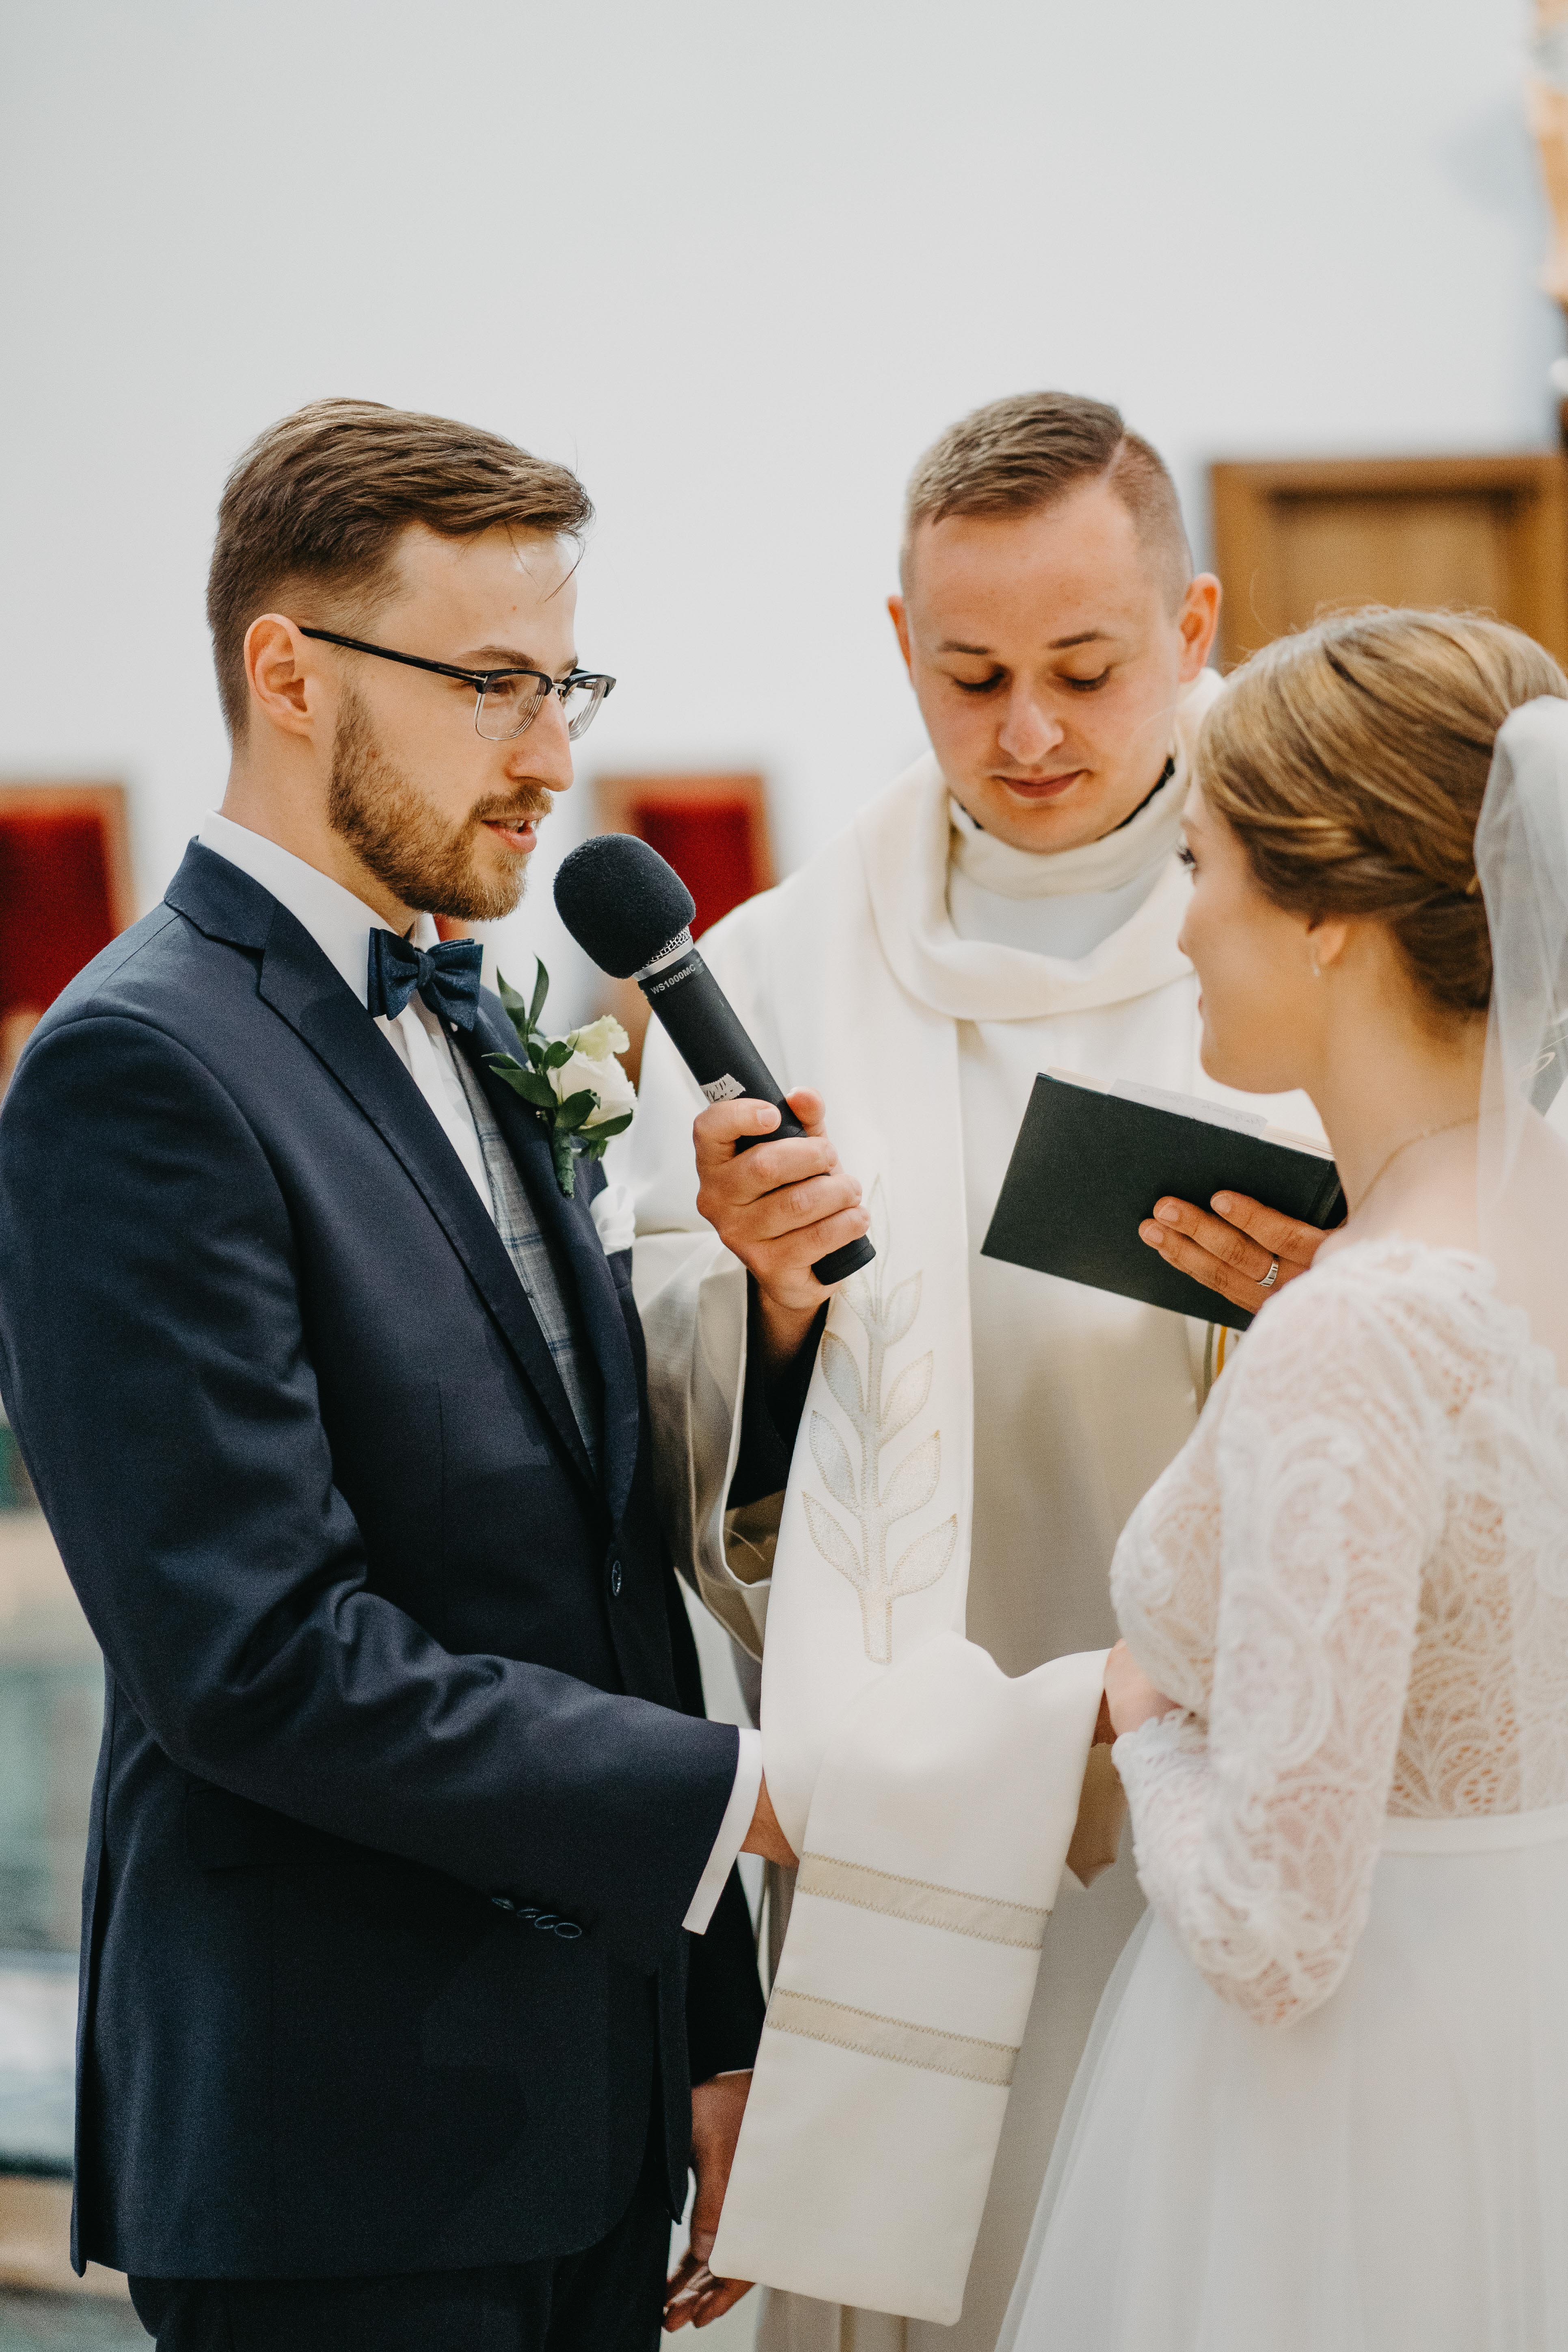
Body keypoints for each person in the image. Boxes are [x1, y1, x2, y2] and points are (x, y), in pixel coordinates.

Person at [0, 397, 797, 2351]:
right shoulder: (137, 1070)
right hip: (337, 2147)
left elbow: (598, 1567)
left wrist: (706, 2022)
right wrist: (750, 1799)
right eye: (494, 684)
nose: (554, 756)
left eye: (565, 684)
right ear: (289, 674)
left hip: (583, 2102)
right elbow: (254, 1658)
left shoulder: (476, 1014)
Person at [627, 391, 1326, 2351]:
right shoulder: (773, 977)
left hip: (1255, 1779)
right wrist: (763, 1304)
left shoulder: (1335, 913)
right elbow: (659, 1460)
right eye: (971, 675)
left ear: (1195, 625)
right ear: (899, 644)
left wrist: (1345, 1296)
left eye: (1085, 671)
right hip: (911, 1818)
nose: (1028, 732)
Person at [1001, 608, 1568, 2351]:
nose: (1181, 924)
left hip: (1344, 2120)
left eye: (1201, 864)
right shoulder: (1505, 1253)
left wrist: (1149, 1716)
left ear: (1324, 913)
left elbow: (1269, 1928)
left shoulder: (1360, 1330)